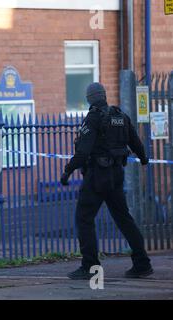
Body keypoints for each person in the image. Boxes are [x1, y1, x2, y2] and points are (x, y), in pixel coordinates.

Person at [60, 82, 153, 280]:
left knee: (84, 219)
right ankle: (142, 263)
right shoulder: (120, 116)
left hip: (97, 177)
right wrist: (144, 159)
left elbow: (82, 152)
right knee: (124, 218)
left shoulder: (93, 118)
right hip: (116, 175)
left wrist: (67, 171)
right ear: (104, 95)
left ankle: (90, 266)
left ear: (90, 99)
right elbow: (136, 143)